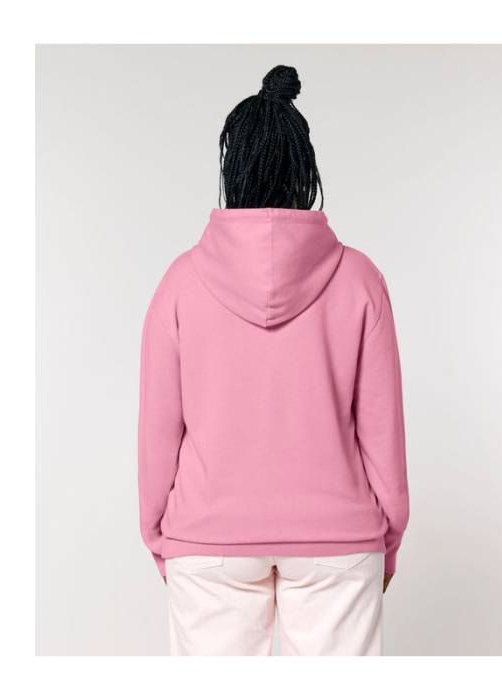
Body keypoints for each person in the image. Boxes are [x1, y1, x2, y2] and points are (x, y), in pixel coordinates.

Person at [138, 65, 409, 656]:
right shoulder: (361, 279)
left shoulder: (179, 283)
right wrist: (387, 537)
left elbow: (159, 432)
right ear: (303, 168)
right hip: (339, 537)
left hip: (207, 536)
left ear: (232, 167)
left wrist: (161, 537)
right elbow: (382, 429)